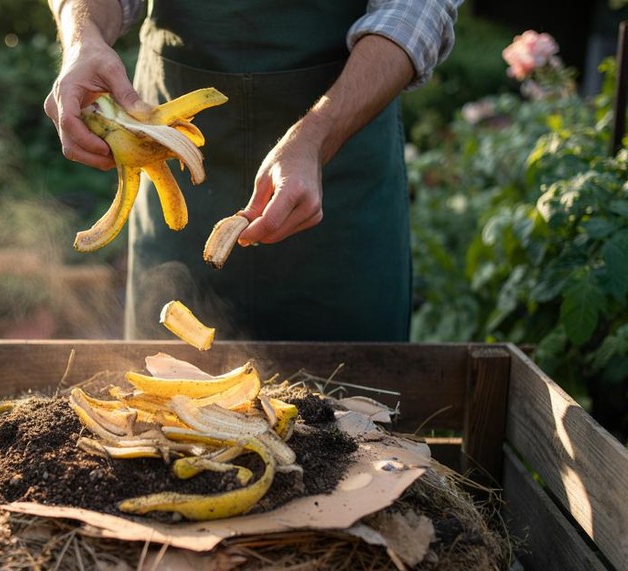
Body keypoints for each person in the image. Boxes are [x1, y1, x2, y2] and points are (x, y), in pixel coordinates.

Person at [46, 0, 461, 341]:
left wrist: (319, 136)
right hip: (171, 141)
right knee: (162, 412)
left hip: (342, 163)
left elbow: (415, 11)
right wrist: (82, 39)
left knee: (355, 416)